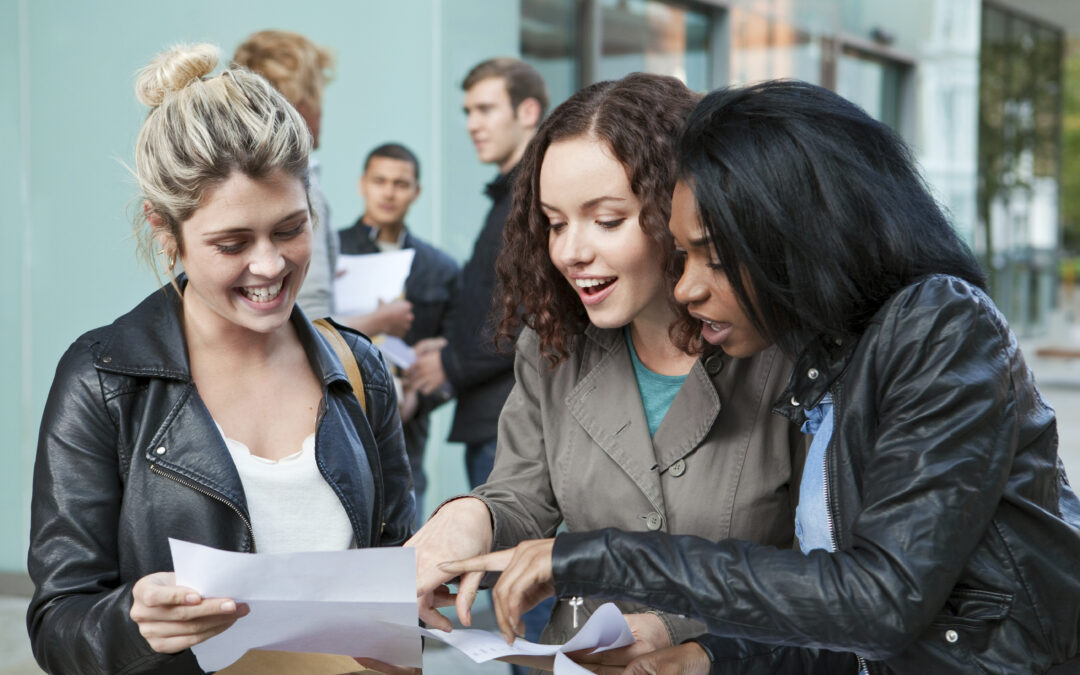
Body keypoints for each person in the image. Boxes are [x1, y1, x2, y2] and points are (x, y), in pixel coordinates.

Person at [443, 80, 1080, 674]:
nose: (688, 287)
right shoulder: (832, 353)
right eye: (554, 223)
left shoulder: (936, 327)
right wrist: (707, 657)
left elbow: (878, 602)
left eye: (713, 259)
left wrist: (598, 557)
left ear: (796, 238)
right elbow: (826, 614)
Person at [26, 44, 413, 675]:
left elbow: (401, 574)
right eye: (232, 243)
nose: (269, 266)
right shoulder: (103, 380)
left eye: (290, 228)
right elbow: (58, 621)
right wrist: (134, 620)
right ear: (164, 229)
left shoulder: (358, 368)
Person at [409, 73, 806, 671]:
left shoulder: (785, 354)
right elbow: (522, 493)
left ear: (683, 211)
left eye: (607, 220)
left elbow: (830, 571)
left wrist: (681, 631)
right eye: (555, 222)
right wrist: (468, 520)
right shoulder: (554, 347)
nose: (571, 251)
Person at [406, 57, 547, 491]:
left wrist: (450, 362)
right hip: (497, 416)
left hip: (511, 420)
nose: (472, 124)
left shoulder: (536, 195)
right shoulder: (511, 196)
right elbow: (498, 300)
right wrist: (449, 346)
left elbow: (531, 311)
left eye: (485, 109)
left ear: (527, 112)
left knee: (502, 558)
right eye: (468, 112)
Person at [339, 143, 459, 524]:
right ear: (362, 184)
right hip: (339, 412)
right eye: (380, 181)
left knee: (404, 534)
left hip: (408, 428)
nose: (389, 192)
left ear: (416, 191)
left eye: (401, 183)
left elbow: (452, 355)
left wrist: (418, 401)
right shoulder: (329, 252)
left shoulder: (439, 267)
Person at [233, 29, 339, 319]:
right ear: (300, 101)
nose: (322, 109)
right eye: (318, 93)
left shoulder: (224, 174)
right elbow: (314, 315)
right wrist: (381, 321)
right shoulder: (297, 183)